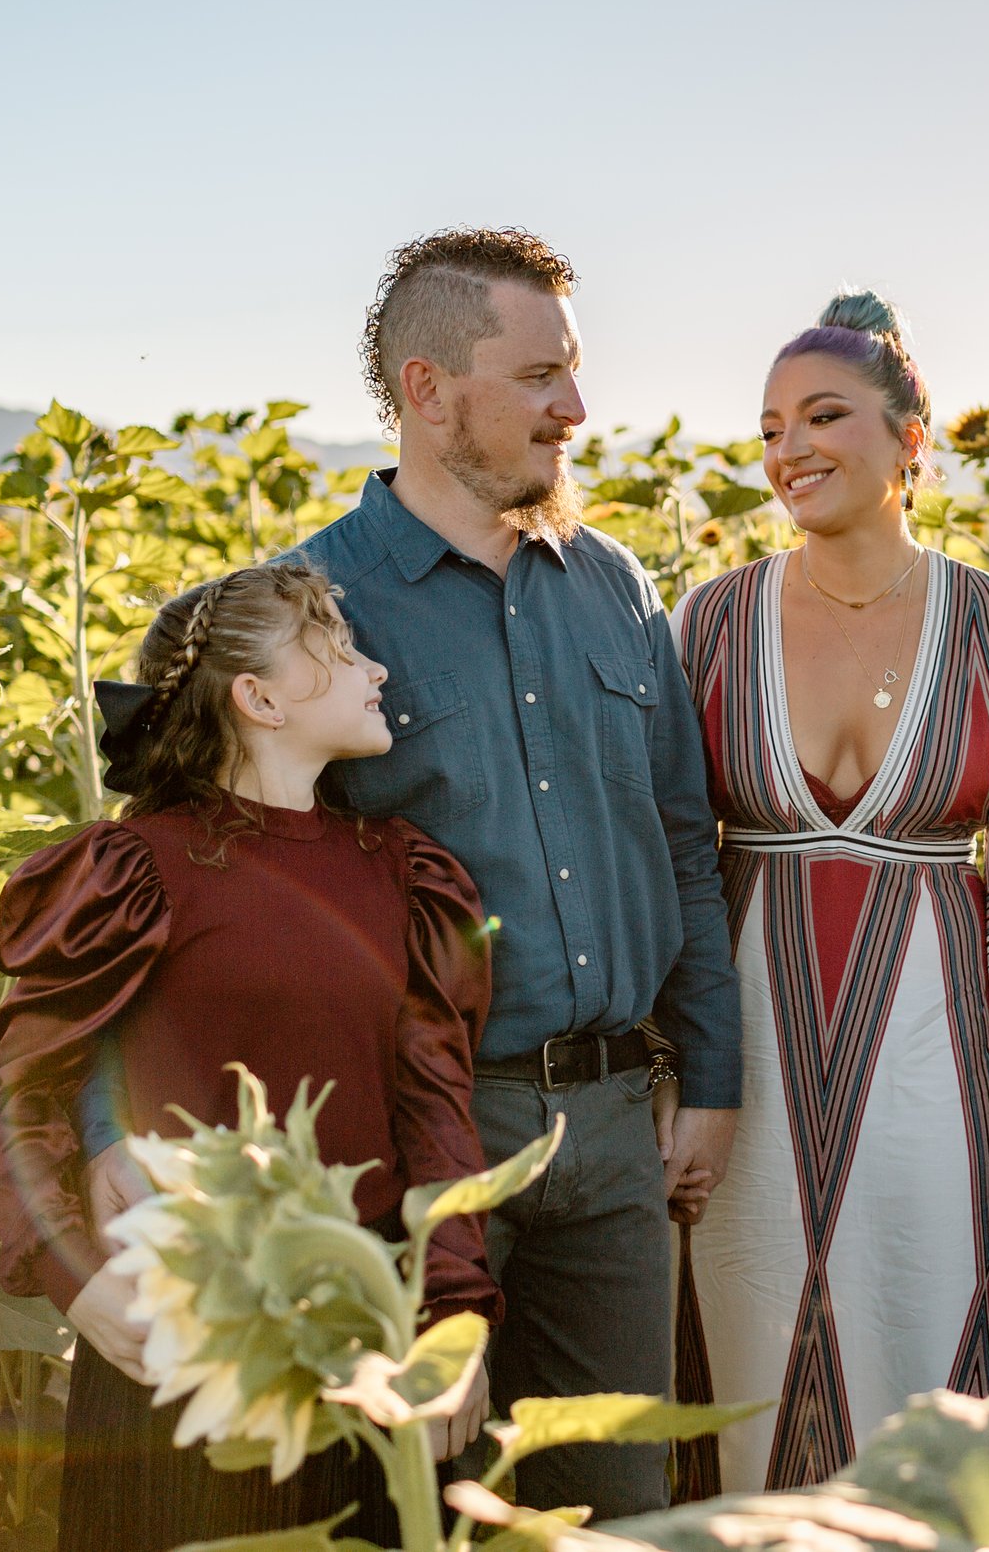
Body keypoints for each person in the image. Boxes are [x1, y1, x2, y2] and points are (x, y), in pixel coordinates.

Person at [290, 228, 742, 1521]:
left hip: (615, 1131)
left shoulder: (613, 586)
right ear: (429, 391)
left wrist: (707, 1076)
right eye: (541, 375)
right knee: (425, 1503)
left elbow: (679, 840)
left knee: (624, 1506)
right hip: (430, 1141)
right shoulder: (313, 604)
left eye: (576, 371)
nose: (577, 409)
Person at [669, 291, 989, 1541]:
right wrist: (677, 1066)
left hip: (936, 1043)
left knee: (925, 1317)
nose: (788, 447)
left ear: (915, 441)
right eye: (767, 427)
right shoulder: (708, 618)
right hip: (738, 1048)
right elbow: (669, 849)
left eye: (823, 415)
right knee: (742, 1334)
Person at [0, 564, 498, 1552]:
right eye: (337, 648)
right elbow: (18, 1090)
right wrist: (72, 1270)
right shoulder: (134, 868)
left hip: (364, 1316)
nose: (375, 667)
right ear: (256, 699)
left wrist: (454, 1312)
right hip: (189, 1326)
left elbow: (435, 1110)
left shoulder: (401, 869)